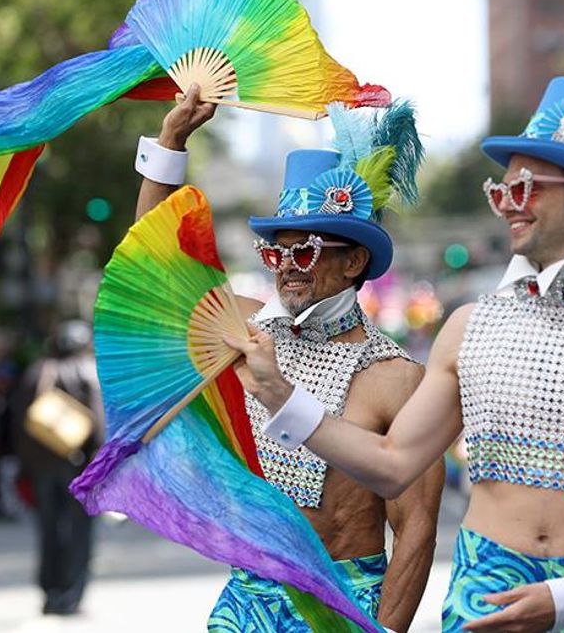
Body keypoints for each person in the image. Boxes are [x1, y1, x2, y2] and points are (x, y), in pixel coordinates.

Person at [227, 47, 564, 632]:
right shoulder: (469, 326)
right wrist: (283, 398)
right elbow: (392, 465)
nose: (509, 206)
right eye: (502, 191)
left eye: (527, 189)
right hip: (483, 593)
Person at [134, 87, 445, 632]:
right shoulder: (245, 332)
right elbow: (160, 275)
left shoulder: (395, 379)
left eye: (304, 252)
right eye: (276, 252)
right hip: (250, 591)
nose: (287, 267)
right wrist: (170, 142)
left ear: (353, 262)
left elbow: (416, 528)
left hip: (342, 599)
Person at [13, 320, 104, 616]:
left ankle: (49, 591)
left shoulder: (38, 372)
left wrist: (25, 465)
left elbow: (17, 423)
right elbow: (100, 426)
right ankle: (72, 594)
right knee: (79, 533)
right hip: (80, 465)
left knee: (49, 529)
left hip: (42, 467)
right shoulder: (90, 372)